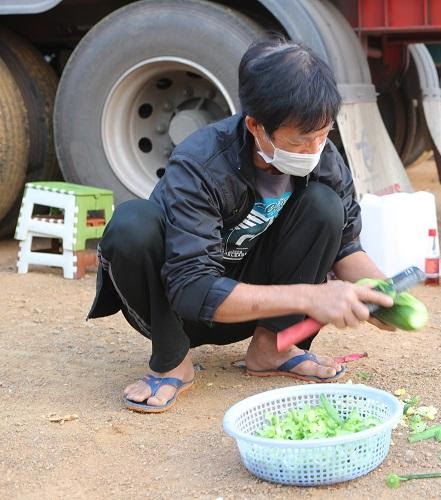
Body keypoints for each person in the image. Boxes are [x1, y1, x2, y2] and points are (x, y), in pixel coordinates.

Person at [87, 38, 394, 413]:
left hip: (255, 306)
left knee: (325, 206)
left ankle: (272, 347)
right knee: (132, 223)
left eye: (322, 133)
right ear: (255, 126)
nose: (314, 149)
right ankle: (172, 360)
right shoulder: (200, 164)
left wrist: (383, 293)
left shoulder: (324, 159)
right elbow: (191, 287)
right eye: (299, 140)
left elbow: (347, 246)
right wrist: (312, 297)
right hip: (180, 307)